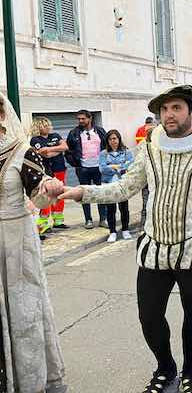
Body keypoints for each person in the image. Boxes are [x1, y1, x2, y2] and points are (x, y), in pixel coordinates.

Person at [59, 85, 192, 393]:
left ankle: (191, 371)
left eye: (176, 108)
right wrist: (83, 193)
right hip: (154, 247)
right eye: (164, 109)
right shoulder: (149, 149)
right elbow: (125, 187)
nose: (169, 114)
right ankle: (166, 368)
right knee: (149, 315)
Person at [0, 93, 66, 392]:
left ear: (2, 116)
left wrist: (48, 189)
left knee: (24, 311)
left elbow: (37, 197)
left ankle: (31, 382)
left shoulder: (23, 152)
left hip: (16, 242)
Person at [65, 109, 108, 229]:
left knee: (101, 193)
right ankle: (88, 219)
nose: (80, 121)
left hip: (99, 168)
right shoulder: (73, 133)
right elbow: (68, 151)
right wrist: (75, 163)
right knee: (84, 194)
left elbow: (107, 146)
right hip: (83, 169)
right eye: (79, 119)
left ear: (90, 119)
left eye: (83, 118)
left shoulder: (100, 131)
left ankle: (103, 219)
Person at [30, 116, 69, 235]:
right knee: (46, 195)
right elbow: (45, 154)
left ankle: (58, 221)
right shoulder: (35, 139)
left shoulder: (55, 135)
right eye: (45, 125)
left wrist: (49, 149)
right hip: (46, 171)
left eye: (48, 125)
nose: (48, 127)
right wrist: (57, 150)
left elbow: (65, 147)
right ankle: (44, 223)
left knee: (60, 193)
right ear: (39, 127)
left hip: (60, 168)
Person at [99, 129, 134, 242]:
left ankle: (125, 230)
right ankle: (112, 232)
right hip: (109, 184)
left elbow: (130, 164)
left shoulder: (126, 152)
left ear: (119, 139)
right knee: (110, 209)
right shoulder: (103, 153)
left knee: (124, 208)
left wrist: (114, 167)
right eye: (110, 139)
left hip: (122, 183)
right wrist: (119, 167)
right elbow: (102, 168)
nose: (113, 141)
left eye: (115, 138)